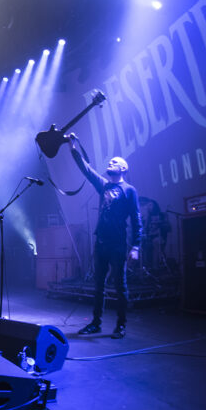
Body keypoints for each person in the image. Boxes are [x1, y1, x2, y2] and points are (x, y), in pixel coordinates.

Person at [67, 134, 143, 339]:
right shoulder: (104, 185)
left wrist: (136, 246)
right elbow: (86, 170)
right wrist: (73, 147)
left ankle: (121, 325)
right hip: (101, 244)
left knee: (120, 286)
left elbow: (136, 219)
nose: (110, 162)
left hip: (118, 245)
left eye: (115, 162)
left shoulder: (129, 191)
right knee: (98, 286)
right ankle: (96, 323)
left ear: (124, 169)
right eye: (110, 161)